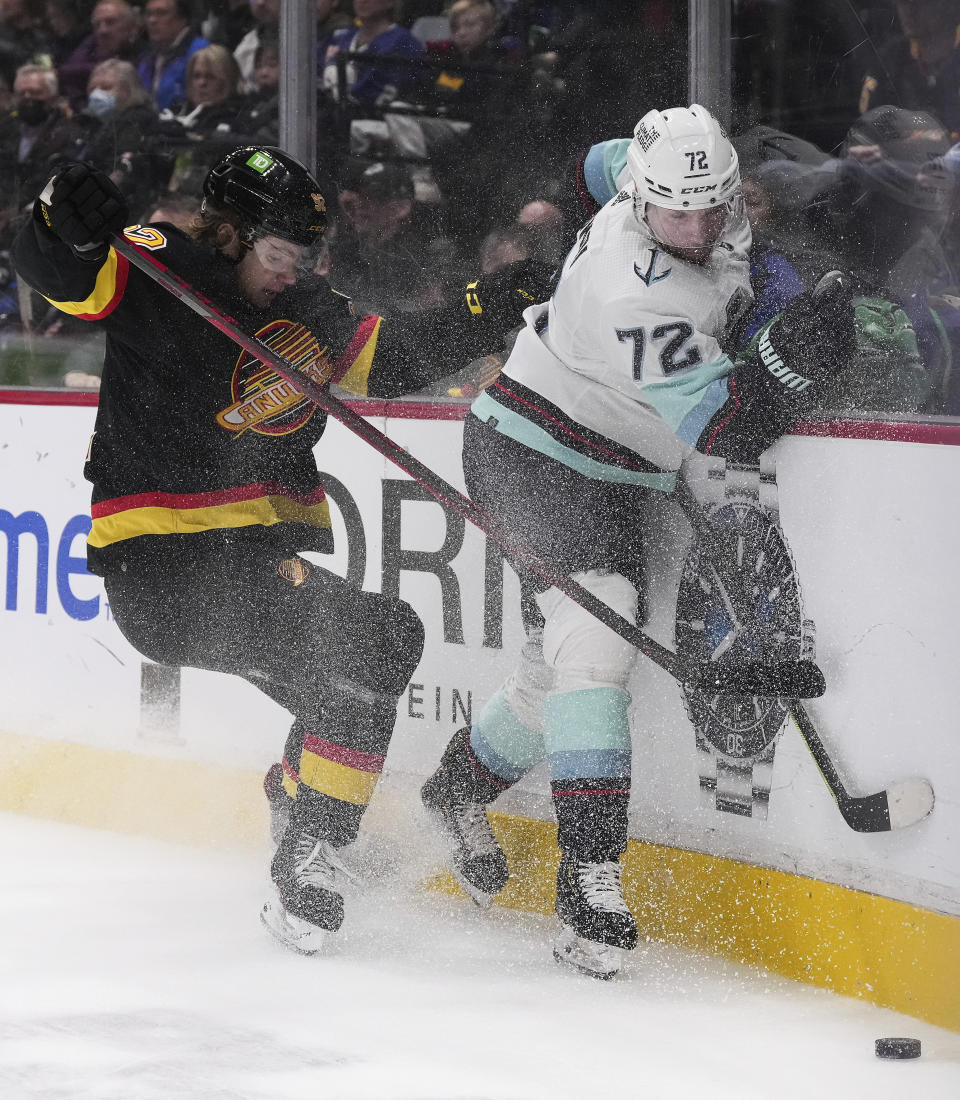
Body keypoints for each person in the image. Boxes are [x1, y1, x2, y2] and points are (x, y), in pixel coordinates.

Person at [11, 144, 551, 956]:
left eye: (304, 256)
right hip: (165, 568)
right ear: (228, 232)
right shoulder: (162, 267)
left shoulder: (310, 310)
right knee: (367, 643)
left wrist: (489, 305)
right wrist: (62, 221)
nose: (291, 273)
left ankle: (299, 797)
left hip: (251, 565)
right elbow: (64, 275)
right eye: (277, 254)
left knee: (379, 646)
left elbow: (390, 358)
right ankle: (313, 847)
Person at [419, 104, 855, 978]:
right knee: (597, 643)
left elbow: (595, 159)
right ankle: (590, 880)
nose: (694, 229)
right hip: (534, 452)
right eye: (676, 214)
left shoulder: (642, 171)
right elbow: (730, 425)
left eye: (712, 208)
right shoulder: (637, 296)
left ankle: (454, 790)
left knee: (558, 668)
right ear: (646, 203)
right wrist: (784, 365)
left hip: (614, 469)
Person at [138, 0, 209, 111]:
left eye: (161, 13)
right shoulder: (147, 58)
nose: (152, 20)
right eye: (148, 14)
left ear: (183, 19)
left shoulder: (202, 53)